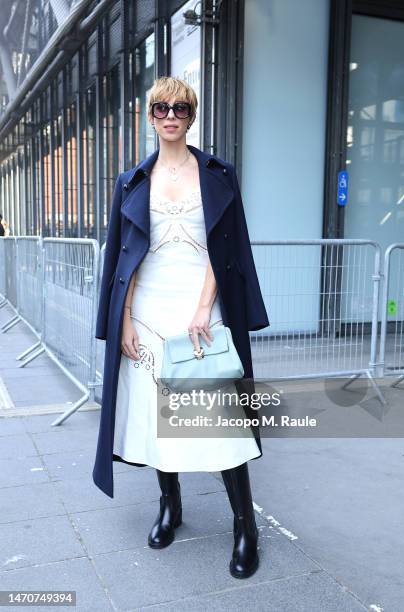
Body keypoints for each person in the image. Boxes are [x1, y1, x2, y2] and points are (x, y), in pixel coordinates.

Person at [93, 76, 270, 579]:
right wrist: (122, 318)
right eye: (161, 107)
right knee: (156, 416)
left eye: (181, 108)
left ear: (192, 116)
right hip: (147, 311)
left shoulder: (218, 173)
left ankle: (245, 527)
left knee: (221, 420)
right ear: (150, 116)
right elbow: (120, 258)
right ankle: (170, 505)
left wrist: (203, 306)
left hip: (201, 311)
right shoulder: (131, 180)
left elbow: (228, 245)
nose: (171, 115)